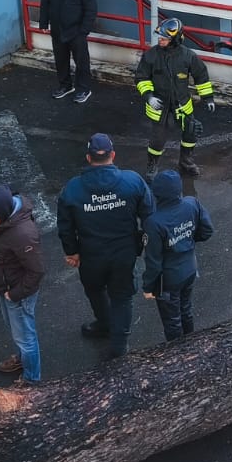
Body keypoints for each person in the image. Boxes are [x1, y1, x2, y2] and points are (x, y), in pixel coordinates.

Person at [57, 133, 153, 360]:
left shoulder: (72, 188)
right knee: (122, 297)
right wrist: (150, 246)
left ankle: (105, 323)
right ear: (113, 155)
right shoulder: (133, 181)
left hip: (91, 256)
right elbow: (149, 215)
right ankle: (119, 346)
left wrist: (71, 251)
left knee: (95, 289)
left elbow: (65, 226)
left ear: (88, 158)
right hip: (124, 254)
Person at [133, 18, 216, 176]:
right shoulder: (151, 56)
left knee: (190, 132)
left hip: (182, 106)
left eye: (165, 38)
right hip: (160, 107)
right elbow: (141, 78)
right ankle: (152, 165)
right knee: (157, 139)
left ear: (176, 38)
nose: (161, 40)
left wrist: (208, 98)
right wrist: (149, 97)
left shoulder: (188, 56)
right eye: (160, 37)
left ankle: (186, 162)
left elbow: (201, 77)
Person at [0, 185, 43, 386]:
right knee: (19, 333)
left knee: (26, 338)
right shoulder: (5, 221)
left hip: (16, 294)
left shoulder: (22, 235)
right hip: (6, 288)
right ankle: (22, 359)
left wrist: (15, 294)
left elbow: (37, 271)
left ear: (2, 212)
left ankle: (31, 380)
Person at [141, 170, 214, 342]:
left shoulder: (153, 222)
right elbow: (207, 230)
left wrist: (148, 287)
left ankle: (177, 354)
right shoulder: (191, 203)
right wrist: (187, 242)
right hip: (190, 268)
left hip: (169, 278)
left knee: (172, 321)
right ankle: (191, 343)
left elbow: (153, 261)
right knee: (186, 309)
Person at [38, 0, 97, 103]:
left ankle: (84, 89)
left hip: (76, 32)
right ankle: (65, 86)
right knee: (60, 60)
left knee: (81, 62)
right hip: (58, 30)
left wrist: (83, 31)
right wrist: (44, 23)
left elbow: (91, 9)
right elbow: (45, 1)